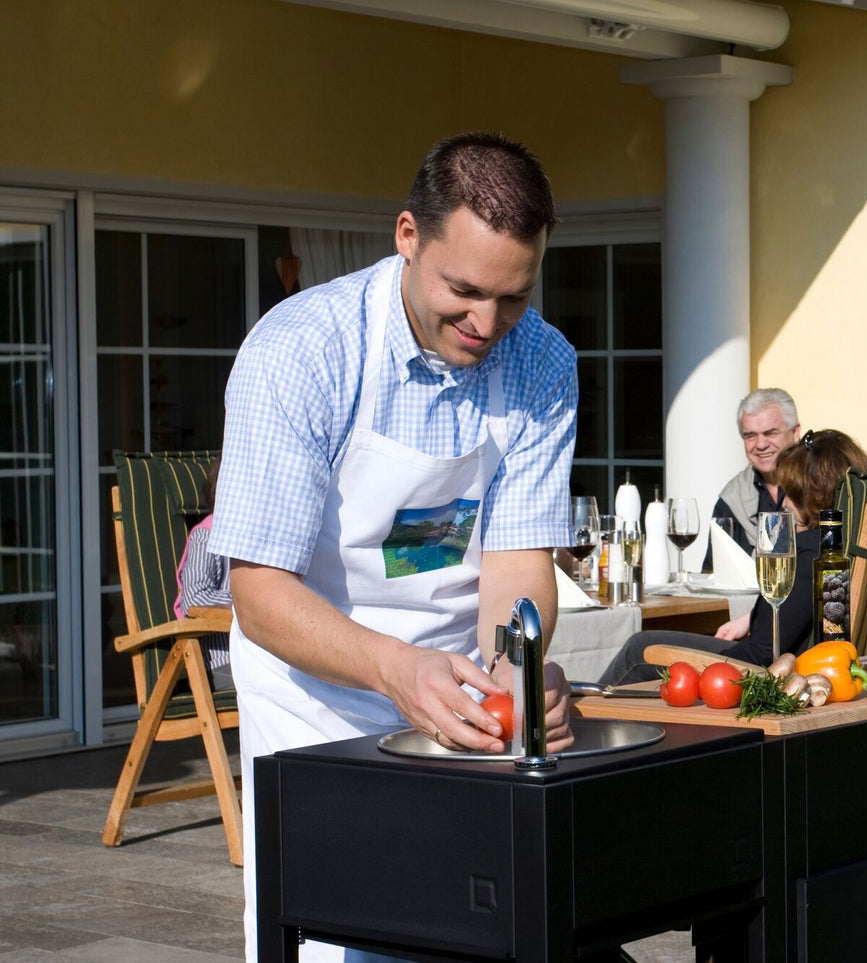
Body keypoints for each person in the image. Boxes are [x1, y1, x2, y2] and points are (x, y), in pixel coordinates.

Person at [210, 132, 578, 962]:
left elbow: (518, 561)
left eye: (514, 297)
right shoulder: (300, 350)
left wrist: (515, 668)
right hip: (315, 697)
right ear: (407, 236)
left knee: (470, 925)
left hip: (459, 692)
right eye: (464, 291)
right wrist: (394, 670)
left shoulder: (544, 360)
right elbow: (260, 592)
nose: (487, 324)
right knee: (339, 933)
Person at [602, 429, 867, 684]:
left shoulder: (809, 551)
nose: (785, 503)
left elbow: (761, 655)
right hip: (834, 669)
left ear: (813, 494)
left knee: (640, 649)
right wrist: (752, 617)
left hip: (774, 676)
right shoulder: (856, 542)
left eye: (791, 493)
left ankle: (585, 724)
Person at [710, 388, 801, 554]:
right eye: (750, 436)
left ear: (795, 433)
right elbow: (715, 570)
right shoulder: (732, 498)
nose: (761, 444)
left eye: (770, 433)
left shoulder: (820, 485)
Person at [173, 457, 233, 690]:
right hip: (222, 662)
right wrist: (247, 601)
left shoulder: (256, 540)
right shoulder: (207, 537)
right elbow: (194, 599)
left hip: (258, 658)